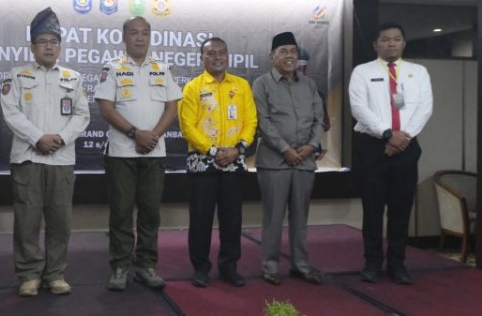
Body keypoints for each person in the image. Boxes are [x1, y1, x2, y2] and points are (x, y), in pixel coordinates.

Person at [0, 7, 90, 297]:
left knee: (60, 221)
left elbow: (82, 116)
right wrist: (38, 138)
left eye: (54, 41)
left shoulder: (73, 77)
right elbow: (11, 113)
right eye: (43, 41)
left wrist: (60, 139)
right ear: (33, 47)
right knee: (27, 221)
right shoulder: (17, 76)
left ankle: (55, 274)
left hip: (61, 160)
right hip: (28, 158)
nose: (49, 46)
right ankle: (28, 274)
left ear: (60, 46)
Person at [94, 16, 182, 291]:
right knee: (120, 213)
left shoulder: (163, 68)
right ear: (125, 37)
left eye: (145, 33)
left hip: (154, 154)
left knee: (150, 213)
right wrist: (135, 134)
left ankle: (146, 265)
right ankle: (120, 266)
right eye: (134, 33)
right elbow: (106, 108)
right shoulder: (112, 68)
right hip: (122, 153)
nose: (140, 38)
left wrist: (152, 136)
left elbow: (172, 108)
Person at [349, 22, 433, 284]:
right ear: (376, 45)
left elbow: (425, 109)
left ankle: (397, 264)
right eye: (385, 40)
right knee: (372, 209)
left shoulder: (418, 72)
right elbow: (359, 108)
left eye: (397, 39)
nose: (391, 44)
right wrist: (387, 134)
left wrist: (401, 138)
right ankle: (372, 262)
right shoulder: (362, 71)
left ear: (404, 43)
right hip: (373, 147)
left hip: (406, 147)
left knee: (401, 209)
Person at [178, 37, 257, 288]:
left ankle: (229, 267)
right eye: (211, 53)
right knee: (201, 218)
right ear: (202, 58)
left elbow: (251, 122)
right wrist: (213, 151)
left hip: (234, 160)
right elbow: (187, 127)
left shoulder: (242, 85)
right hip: (203, 162)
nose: (217, 57)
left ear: (228, 56)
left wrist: (238, 149)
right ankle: (201, 267)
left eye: (221, 53)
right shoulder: (193, 87)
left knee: (232, 218)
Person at [252, 32, 324, 286]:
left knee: (300, 217)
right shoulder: (262, 83)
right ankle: (270, 266)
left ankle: (300, 265)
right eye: (283, 51)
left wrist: (311, 146)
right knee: (273, 216)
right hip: (274, 162)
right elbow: (263, 122)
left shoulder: (309, 85)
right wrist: (285, 149)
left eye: (293, 51)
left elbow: (319, 120)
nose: (289, 56)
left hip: (305, 161)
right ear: (272, 57)